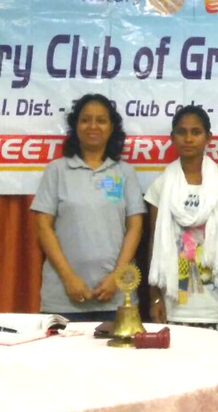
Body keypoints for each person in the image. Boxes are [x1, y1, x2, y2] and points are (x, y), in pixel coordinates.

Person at [31, 93, 146, 322]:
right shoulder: (57, 170)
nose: (93, 126)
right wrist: (68, 278)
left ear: (112, 127)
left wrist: (117, 277)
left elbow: (135, 227)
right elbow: (42, 226)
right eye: (85, 120)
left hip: (117, 298)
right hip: (64, 298)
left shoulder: (124, 172)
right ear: (75, 126)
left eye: (101, 120)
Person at [145, 106, 218, 330]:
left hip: (214, 304)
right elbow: (153, 243)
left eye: (196, 132)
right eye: (181, 132)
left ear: (208, 138)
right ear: (172, 138)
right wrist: (155, 297)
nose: (188, 138)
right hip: (172, 305)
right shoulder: (160, 186)